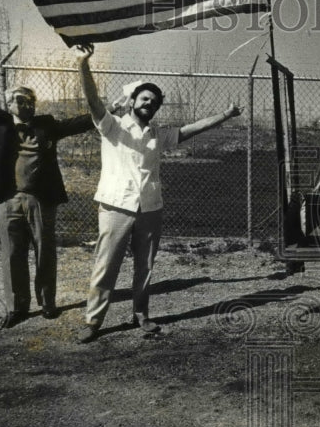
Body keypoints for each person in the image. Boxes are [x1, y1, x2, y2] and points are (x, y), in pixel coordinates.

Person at [74, 43, 242, 343]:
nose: (149, 103)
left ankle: (141, 315)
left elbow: (191, 129)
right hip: (115, 206)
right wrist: (83, 64)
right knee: (106, 266)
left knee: (145, 267)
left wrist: (226, 115)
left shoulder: (157, 134)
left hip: (150, 208)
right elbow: (92, 100)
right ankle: (93, 320)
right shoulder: (112, 126)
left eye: (154, 101)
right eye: (145, 98)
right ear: (133, 100)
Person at [0, 49, 94, 328]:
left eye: (29, 100)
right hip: (7, 200)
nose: (25, 104)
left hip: (42, 200)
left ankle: (47, 303)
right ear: (8, 104)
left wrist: (110, 109)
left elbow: (80, 122)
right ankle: (16, 307)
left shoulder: (47, 126)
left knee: (45, 251)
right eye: (18, 100)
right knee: (12, 254)